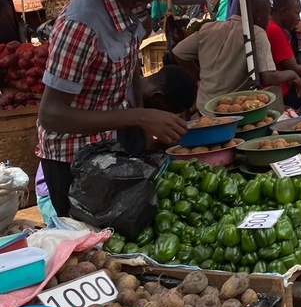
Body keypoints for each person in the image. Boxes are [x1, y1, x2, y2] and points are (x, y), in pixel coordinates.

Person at [38, 0, 189, 217]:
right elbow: (51, 114)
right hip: (73, 162)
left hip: (108, 147)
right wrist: (140, 116)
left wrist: (141, 125)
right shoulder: (82, 25)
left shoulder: (129, 5)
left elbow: (130, 63)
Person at [36, 65, 197, 223]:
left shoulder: (130, 100)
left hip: (90, 181)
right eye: (164, 114)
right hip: (55, 191)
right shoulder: (122, 108)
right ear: (157, 97)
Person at [175, 0, 301, 113]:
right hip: (232, 109)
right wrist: (292, 75)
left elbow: (178, 52)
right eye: (268, 14)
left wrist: (198, 77)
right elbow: (268, 77)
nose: (269, 18)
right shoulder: (256, 33)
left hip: (204, 106)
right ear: (259, 15)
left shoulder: (209, 28)